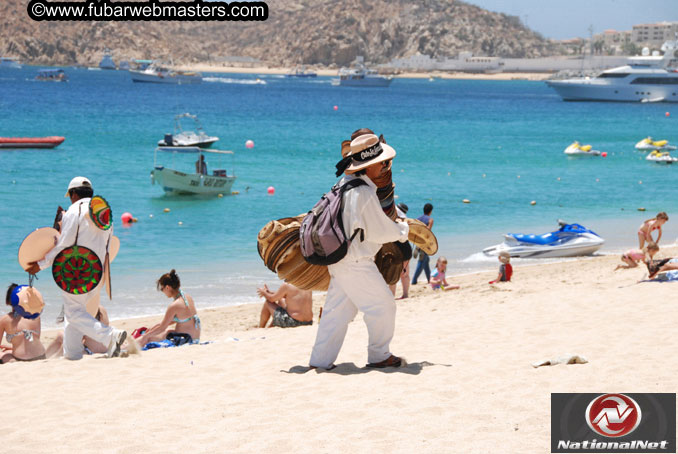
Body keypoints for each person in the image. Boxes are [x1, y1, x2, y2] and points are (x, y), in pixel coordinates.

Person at [309, 132, 409, 370]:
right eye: (382, 162)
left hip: (339, 257)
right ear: (371, 164)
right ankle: (379, 356)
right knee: (383, 306)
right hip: (356, 261)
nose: (385, 166)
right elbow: (380, 231)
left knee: (337, 313)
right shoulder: (363, 192)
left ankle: (319, 363)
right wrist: (403, 229)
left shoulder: (344, 184)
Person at [25, 177, 127, 360]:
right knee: (76, 313)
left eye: (70, 196)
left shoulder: (74, 210)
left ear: (74, 194)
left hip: (77, 273)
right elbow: (107, 245)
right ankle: (72, 355)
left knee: (74, 313)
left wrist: (41, 264)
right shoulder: (103, 211)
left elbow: (64, 245)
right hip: (97, 272)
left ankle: (111, 335)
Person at [136, 270, 201, 348]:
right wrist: (153, 328)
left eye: (162, 289)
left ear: (167, 287)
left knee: (149, 338)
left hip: (186, 339)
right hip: (195, 338)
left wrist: (145, 336)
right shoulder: (187, 297)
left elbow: (162, 327)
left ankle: (124, 348)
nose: (162, 291)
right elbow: (170, 322)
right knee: (166, 331)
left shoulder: (175, 305)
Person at [0, 284, 47, 363]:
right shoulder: (35, 314)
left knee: (4, 354)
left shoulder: (5, 319)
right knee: (8, 352)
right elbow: (34, 340)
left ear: (8, 300)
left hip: (20, 359)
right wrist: (12, 348)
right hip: (41, 355)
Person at [389, 202, 411, 299]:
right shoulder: (405, 224)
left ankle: (393, 296)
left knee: (393, 275)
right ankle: (405, 295)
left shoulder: (392, 222)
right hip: (405, 249)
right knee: (404, 274)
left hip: (397, 250)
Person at [411, 203, 434, 285]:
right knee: (422, 261)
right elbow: (428, 232)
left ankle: (429, 279)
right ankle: (414, 280)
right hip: (424, 243)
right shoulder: (430, 220)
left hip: (418, 241)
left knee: (426, 261)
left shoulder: (418, 219)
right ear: (430, 211)